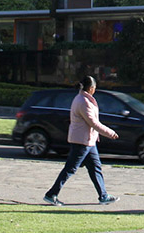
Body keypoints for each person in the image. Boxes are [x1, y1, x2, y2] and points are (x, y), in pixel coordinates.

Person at [43, 76, 120, 206]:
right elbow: (93, 122)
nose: (95, 90)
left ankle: (103, 196)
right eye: (94, 88)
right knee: (70, 168)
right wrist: (110, 133)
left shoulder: (84, 99)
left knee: (95, 168)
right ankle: (51, 194)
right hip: (82, 141)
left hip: (89, 141)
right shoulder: (83, 101)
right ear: (91, 88)